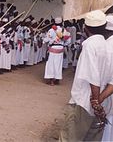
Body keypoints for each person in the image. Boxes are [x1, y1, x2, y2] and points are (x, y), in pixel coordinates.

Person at [60, 10, 108, 141]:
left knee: (70, 138)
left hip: (84, 102)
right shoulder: (105, 45)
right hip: (97, 102)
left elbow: (93, 77)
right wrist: (99, 103)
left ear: (85, 28)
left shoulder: (90, 45)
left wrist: (95, 102)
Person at [43, 17, 70, 85]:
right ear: (61, 22)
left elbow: (47, 39)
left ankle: (51, 80)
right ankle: (57, 79)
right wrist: (63, 44)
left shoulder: (51, 30)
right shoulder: (64, 30)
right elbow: (68, 41)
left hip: (53, 48)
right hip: (60, 48)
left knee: (51, 64)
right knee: (58, 64)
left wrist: (45, 41)